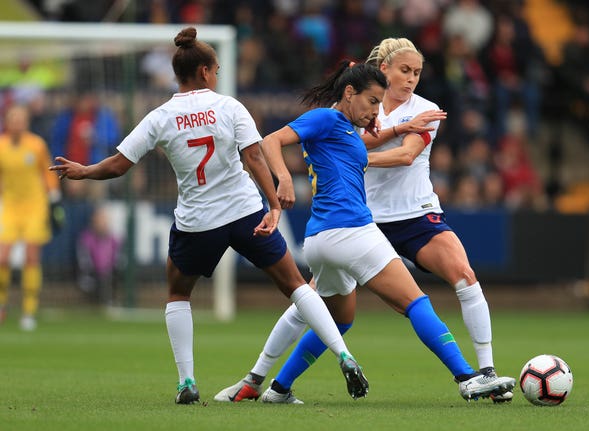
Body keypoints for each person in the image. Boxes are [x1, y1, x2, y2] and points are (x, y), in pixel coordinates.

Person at [49, 27, 367, 404]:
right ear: (203, 72)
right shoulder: (229, 107)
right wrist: (274, 204)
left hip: (198, 222)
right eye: (214, 69)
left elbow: (119, 165)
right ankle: (343, 354)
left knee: (179, 292)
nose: (216, 75)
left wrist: (83, 171)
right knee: (297, 285)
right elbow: (253, 157)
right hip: (246, 212)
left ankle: (187, 383)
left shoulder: (161, 116)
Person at [214, 58, 515, 404]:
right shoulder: (326, 117)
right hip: (352, 229)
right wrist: (283, 180)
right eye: (372, 102)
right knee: (415, 301)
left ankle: (277, 388)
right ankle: (467, 377)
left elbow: (361, 145)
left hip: (321, 239)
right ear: (348, 92)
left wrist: (397, 129)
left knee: (336, 319)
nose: (376, 111)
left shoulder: (343, 129)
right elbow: (270, 141)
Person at [0, 104, 62, 331]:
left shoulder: (36, 145)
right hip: (10, 207)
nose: (16, 123)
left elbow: (48, 174)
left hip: (35, 206)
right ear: (7, 122)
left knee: (31, 257)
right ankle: (2, 305)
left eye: (20, 119)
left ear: (26, 122)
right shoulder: (1, 146)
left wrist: (54, 198)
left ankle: (29, 310)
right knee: (3, 258)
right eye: (12, 119)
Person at [76, 205, 123, 305]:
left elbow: (118, 259)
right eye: (100, 220)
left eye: (104, 220)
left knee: (112, 278)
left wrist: (109, 270)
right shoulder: (86, 239)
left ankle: (110, 301)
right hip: (92, 275)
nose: (103, 223)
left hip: (110, 275)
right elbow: (84, 263)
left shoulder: (114, 239)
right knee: (93, 281)